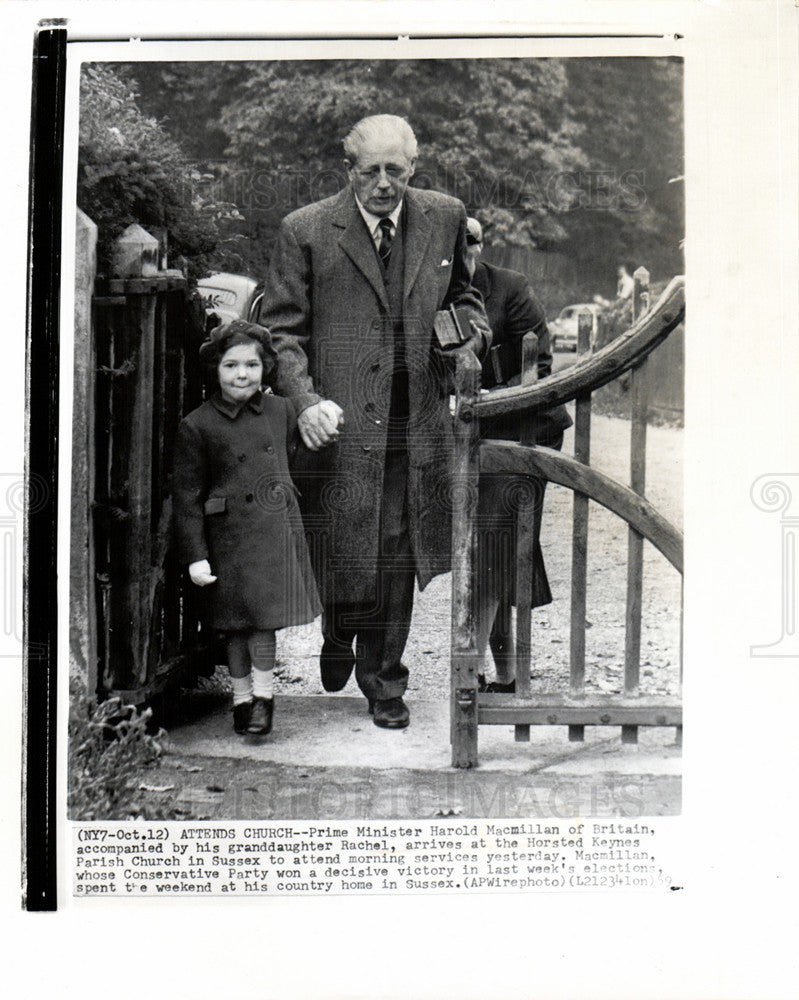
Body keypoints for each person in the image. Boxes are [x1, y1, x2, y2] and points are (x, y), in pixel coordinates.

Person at [258, 114, 490, 730]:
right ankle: (340, 630)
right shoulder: (305, 230)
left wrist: (466, 336)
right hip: (339, 422)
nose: (385, 184)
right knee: (344, 540)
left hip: (414, 421)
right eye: (371, 172)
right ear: (349, 171)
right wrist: (305, 401)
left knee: (397, 545)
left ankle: (384, 679)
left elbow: (466, 297)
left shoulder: (442, 216)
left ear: (413, 168)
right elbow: (281, 331)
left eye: (397, 170)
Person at [171, 320, 322, 736]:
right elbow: (186, 499)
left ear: (265, 368)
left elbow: (299, 457)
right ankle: (241, 700)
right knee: (235, 625)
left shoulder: (280, 410)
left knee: (264, 622)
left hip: (271, 533)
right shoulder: (198, 425)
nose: (242, 375)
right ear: (215, 370)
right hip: (228, 539)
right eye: (232, 366)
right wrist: (196, 555)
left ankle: (263, 701)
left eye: (252, 365)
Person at [463, 217, 572, 692]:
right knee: (491, 549)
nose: (467, 250)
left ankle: (477, 674)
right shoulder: (431, 293)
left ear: (483, 244)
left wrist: (486, 397)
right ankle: (506, 677)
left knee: (496, 543)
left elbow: (540, 366)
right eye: (457, 242)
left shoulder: (509, 287)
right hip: (468, 437)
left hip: (525, 430)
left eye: (474, 241)